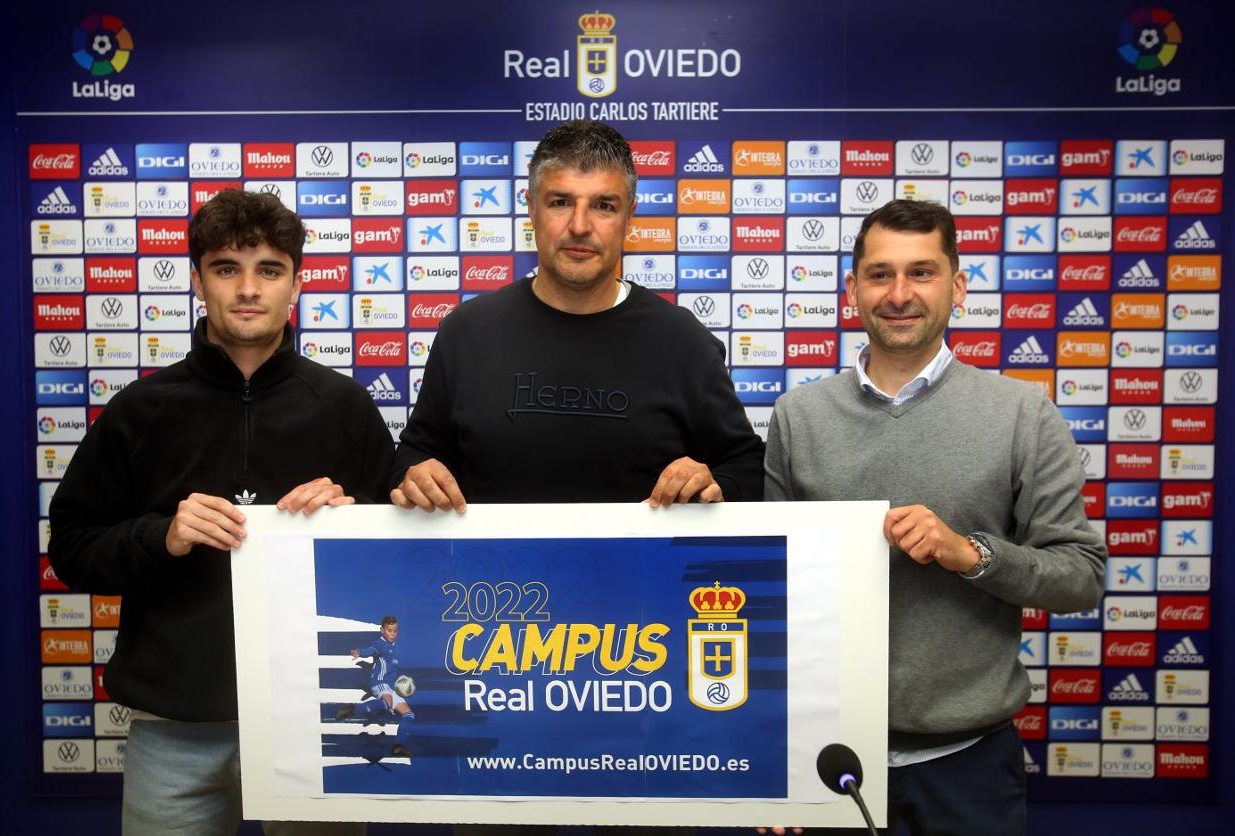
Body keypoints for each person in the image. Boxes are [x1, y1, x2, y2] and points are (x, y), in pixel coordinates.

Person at [48, 189, 394, 835]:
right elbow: (69, 546)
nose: (248, 289)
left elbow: (401, 564)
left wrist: (352, 523)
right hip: (174, 732)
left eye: (269, 269)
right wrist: (162, 537)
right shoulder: (140, 410)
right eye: (226, 268)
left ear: (296, 282)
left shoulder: (344, 406)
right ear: (197, 280)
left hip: (314, 720)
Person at [764, 199, 1106, 835]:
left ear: (958, 286)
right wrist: (767, 758)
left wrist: (969, 553)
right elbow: (771, 597)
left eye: (921, 273)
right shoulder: (799, 416)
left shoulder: (1021, 414)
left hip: (969, 765)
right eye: (880, 274)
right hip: (827, 756)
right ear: (853, 290)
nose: (899, 294)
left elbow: (1079, 576)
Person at [390, 118, 763, 511]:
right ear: (531, 208)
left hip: (642, 572)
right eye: (560, 202)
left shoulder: (682, 339)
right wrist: (413, 476)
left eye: (603, 206)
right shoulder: (467, 331)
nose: (580, 226)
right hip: (497, 574)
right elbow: (414, 454)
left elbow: (746, 466)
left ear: (629, 216)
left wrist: (714, 483)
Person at [335, 614, 414, 758]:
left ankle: (398, 746)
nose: (392, 633)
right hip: (379, 682)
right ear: (382, 630)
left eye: (395, 631)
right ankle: (353, 708)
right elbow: (370, 650)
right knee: (387, 702)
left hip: (390, 687)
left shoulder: (394, 647)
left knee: (409, 715)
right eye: (389, 630)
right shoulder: (380, 644)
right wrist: (360, 653)